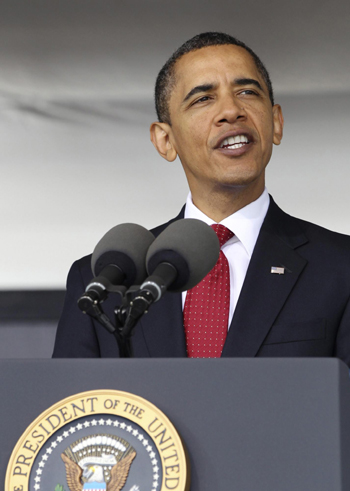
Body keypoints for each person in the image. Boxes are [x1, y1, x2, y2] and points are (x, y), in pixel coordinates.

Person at [53, 32, 350, 366]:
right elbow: (77, 413)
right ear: (165, 140)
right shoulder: (104, 281)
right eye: (203, 99)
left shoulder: (341, 268)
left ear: (276, 122)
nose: (231, 111)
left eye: (247, 92)